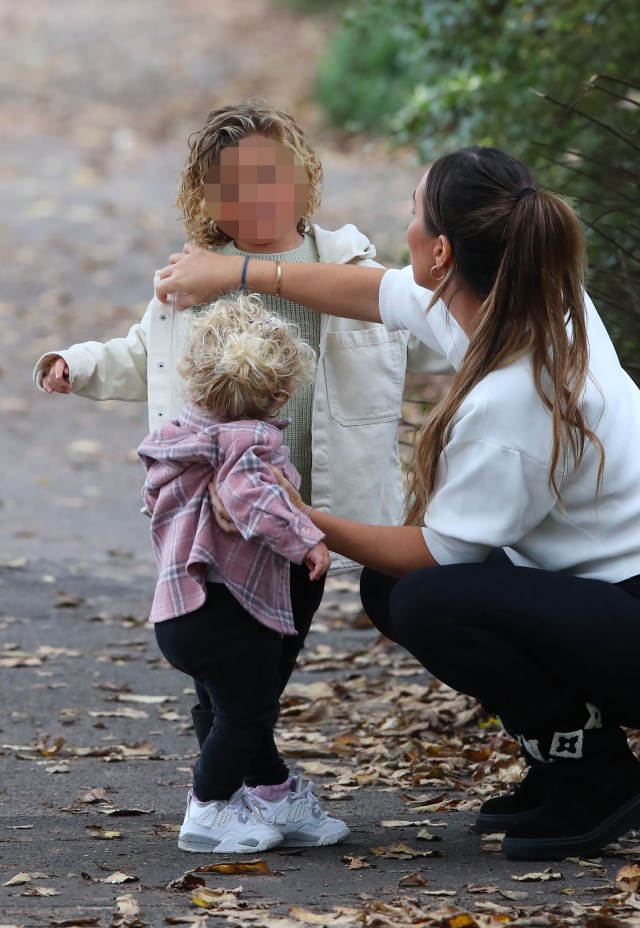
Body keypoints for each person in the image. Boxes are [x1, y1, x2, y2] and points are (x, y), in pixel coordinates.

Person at [156, 145, 640, 862]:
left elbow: (439, 554)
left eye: (413, 210)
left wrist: (289, 512)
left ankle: (594, 773)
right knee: (403, 585)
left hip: (627, 617)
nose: (402, 221)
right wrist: (238, 270)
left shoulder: (517, 395)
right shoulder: (528, 300)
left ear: (441, 251)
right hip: (602, 598)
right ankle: (564, 756)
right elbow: (375, 292)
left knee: (422, 597)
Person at [33, 96, 448, 763]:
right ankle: (232, 791)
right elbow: (148, 354)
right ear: (209, 198)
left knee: (271, 657)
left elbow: (429, 334)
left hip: (309, 510)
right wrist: (75, 365)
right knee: (231, 663)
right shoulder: (196, 279)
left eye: (271, 176)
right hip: (214, 511)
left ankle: (241, 787)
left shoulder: (347, 268)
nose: (257, 195)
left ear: (302, 179)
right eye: (235, 185)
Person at [138, 292, 350, 854]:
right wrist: (306, 539)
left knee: (224, 707)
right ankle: (208, 808)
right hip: (230, 610)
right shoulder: (250, 444)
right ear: (282, 391)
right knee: (247, 712)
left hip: (181, 609)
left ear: (195, 379)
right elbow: (247, 501)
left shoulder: (179, 440)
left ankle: (270, 793)